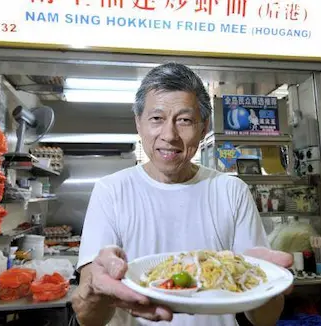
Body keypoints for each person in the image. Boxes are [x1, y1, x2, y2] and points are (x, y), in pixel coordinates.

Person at [72, 63, 293, 326]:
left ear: (203, 127)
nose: (169, 135)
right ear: (138, 123)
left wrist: (267, 287)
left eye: (184, 120)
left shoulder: (231, 191)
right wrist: (96, 290)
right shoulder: (111, 191)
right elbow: (88, 319)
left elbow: (265, 320)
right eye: (156, 119)